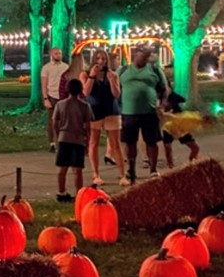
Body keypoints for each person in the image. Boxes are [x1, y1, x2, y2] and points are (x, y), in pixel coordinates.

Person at [117, 46, 168, 182]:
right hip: (129, 112)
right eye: (142, 56)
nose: (144, 60)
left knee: (151, 142)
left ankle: (153, 169)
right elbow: (115, 88)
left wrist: (162, 104)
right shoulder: (123, 70)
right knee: (130, 142)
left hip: (149, 112)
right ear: (134, 56)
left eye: (146, 57)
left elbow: (163, 89)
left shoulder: (154, 70)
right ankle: (131, 169)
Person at [81, 49, 125, 186]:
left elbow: (117, 94)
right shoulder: (85, 74)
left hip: (111, 110)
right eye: (98, 58)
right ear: (94, 59)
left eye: (103, 59)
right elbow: (86, 92)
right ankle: (96, 174)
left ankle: (122, 175)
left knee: (115, 143)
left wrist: (112, 81)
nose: (101, 61)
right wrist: (92, 76)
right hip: (94, 111)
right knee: (93, 141)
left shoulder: (112, 74)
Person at [53, 79, 93, 201]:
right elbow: (88, 126)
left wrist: (58, 134)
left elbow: (55, 121)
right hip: (78, 139)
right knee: (77, 169)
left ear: (67, 89)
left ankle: (61, 192)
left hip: (64, 137)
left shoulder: (60, 104)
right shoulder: (85, 106)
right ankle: (79, 194)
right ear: (81, 90)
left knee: (62, 168)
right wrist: (87, 141)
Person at [160, 91, 201, 166]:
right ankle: (170, 166)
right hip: (169, 127)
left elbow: (183, 100)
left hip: (180, 126)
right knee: (168, 148)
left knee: (195, 148)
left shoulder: (173, 95)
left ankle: (192, 163)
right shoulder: (160, 98)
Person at [41, 47, 69, 153]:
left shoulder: (66, 67)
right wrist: (45, 98)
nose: (58, 55)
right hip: (51, 95)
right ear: (51, 55)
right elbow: (44, 84)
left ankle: (62, 142)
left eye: (59, 53)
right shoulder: (46, 68)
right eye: (56, 53)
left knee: (63, 120)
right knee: (52, 120)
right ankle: (52, 143)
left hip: (63, 96)